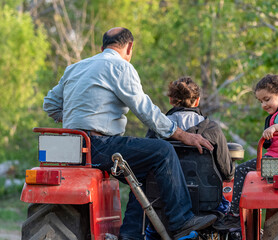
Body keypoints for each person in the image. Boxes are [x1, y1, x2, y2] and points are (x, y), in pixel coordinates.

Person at [43, 27, 217, 240]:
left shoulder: (75, 67)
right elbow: (145, 110)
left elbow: (50, 105)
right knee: (162, 151)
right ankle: (181, 220)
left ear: (102, 47)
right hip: (100, 145)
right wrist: (183, 135)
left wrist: (78, 116)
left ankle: (131, 235)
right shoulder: (120, 67)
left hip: (71, 146)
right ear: (129, 47)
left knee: (141, 175)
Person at [213, 71, 278, 231]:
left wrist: (275, 127)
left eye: (267, 99)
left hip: (277, 164)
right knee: (252, 177)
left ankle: (234, 215)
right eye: (260, 101)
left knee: (241, 171)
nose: (264, 105)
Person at [147, 76, 234, 181]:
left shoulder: (157, 128)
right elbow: (227, 173)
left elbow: (146, 166)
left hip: (162, 195)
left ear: (171, 100)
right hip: (204, 196)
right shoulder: (212, 129)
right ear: (197, 101)